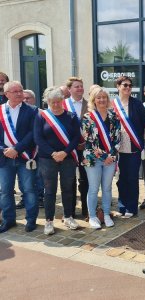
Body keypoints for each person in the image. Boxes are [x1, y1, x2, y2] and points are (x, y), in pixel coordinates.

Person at [34, 86, 81, 235]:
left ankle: (68, 217)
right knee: (50, 190)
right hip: (48, 159)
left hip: (67, 158)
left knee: (68, 189)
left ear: (62, 101)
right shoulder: (41, 116)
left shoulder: (72, 116)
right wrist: (53, 153)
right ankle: (49, 221)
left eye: (58, 101)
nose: (55, 104)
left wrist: (65, 152)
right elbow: (38, 138)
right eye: (52, 102)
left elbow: (76, 138)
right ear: (47, 101)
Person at [0, 81, 38, 233]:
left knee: (28, 189)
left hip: (25, 157)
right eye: (15, 91)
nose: (19, 93)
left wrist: (16, 148)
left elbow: (33, 133)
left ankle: (31, 220)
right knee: (5, 190)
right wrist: (5, 150)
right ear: (6, 94)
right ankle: (8, 220)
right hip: (4, 158)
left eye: (20, 90)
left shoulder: (32, 110)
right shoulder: (0, 110)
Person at [82, 87, 120, 229]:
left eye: (104, 97)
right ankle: (92, 216)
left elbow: (118, 138)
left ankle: (106, 214)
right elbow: (89, 141)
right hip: (92, 159)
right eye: (99, 97)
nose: (102, 100)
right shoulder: (88, 117)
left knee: (107, 188)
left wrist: (111, 156)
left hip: (110, 159)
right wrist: (104, 156)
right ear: (94, 100)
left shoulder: (114, 116)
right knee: (93, 188)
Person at [113, 76, 145, 218]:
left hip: (133, 147)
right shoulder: (112, 104)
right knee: (121, 179)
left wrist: (142, 144)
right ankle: (122, 205)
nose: (127, 88)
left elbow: (144, 124)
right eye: (124, 85)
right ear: (118, 86)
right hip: (117, 149)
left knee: (132, 178)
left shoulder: (137, 104)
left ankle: (132, 207)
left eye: (129, 85)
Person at [15, 89, 45, 210]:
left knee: (38, 176)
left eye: (29, 98)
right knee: (22, 178)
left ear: (34, 99)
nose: (26, 100)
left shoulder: (41, 112)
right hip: (21, 151)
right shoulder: (18, 112)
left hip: (37, 150)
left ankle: (39, 198)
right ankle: (24, 198)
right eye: (24, 98)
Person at [64, 77, 89, 219]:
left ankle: (86, 210)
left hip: (86, 148)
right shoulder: (63, 104)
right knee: (69, 180)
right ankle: (70, 211)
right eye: (76, 87)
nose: (80, 89)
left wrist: (86, 142)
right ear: (69, 89)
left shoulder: (90, 104)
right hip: (69, 149)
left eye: (81, 86)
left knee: (85, 180)